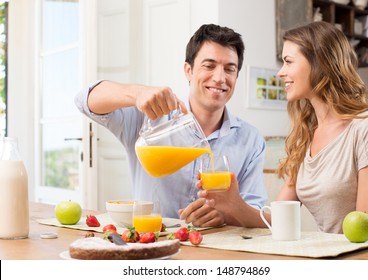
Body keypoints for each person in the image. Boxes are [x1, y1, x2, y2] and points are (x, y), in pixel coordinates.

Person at [198, 21, 368, 235]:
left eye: (288, 62)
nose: (281, 73)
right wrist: (232, 205)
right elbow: (276, 221)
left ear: (320, 63)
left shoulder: (366, 126)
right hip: (327, 258)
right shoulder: (305, 136)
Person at [75, 24, 268, 227]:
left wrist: (226, 215)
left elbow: (257, 214)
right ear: (188, 70)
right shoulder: (150, 116)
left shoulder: (251, 139)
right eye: (209, 66)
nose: (220, 78)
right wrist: (137, 93)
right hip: (152, 243)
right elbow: (84, 100)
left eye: (230, 69)